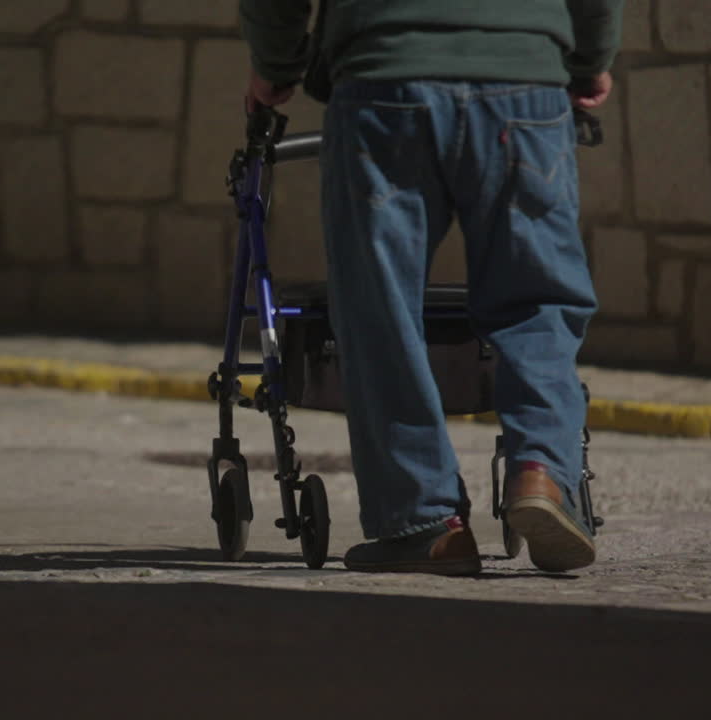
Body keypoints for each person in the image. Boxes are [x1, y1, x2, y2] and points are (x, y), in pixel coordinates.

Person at [239, 0, 624, 575]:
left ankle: (424, 521)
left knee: (381, 306)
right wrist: (589, 58)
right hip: (523, 74)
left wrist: (277, 61)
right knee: (537, 295)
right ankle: (541, 471)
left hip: (384, 74)